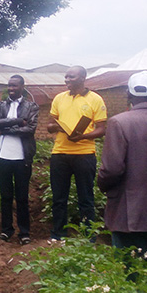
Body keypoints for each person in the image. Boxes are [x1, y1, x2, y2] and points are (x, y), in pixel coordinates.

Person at [97, 71, 147, 273]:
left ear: (129, 95)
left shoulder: (119, 122)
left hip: (127, 210)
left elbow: (112, 169)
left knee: (129, 271)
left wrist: (103, 186)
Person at [46, 66, 107, 242]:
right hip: (60, 153)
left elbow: (102, 129)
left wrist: (83, 136)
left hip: (84, 154)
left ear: (82, 78)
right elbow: (49, 126)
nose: (67, 80)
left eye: (71, 76)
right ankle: (58, 235)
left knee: (86, 197)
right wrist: (57, 127)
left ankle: (88, 236)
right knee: (59, 197)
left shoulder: (95, 99)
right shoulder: (59, 98)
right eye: (65, 76)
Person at [0, 75, 39, 244]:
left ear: (23, 87)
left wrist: (3, 131)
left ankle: (24, 232)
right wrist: (17, 121)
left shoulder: (31, 106)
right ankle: (6, 230)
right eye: (9, 86)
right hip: (2, 157)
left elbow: (30, 129)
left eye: (15, 86)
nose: (11, 89)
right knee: (5, 196)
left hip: (22, 158)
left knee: (22, 197)